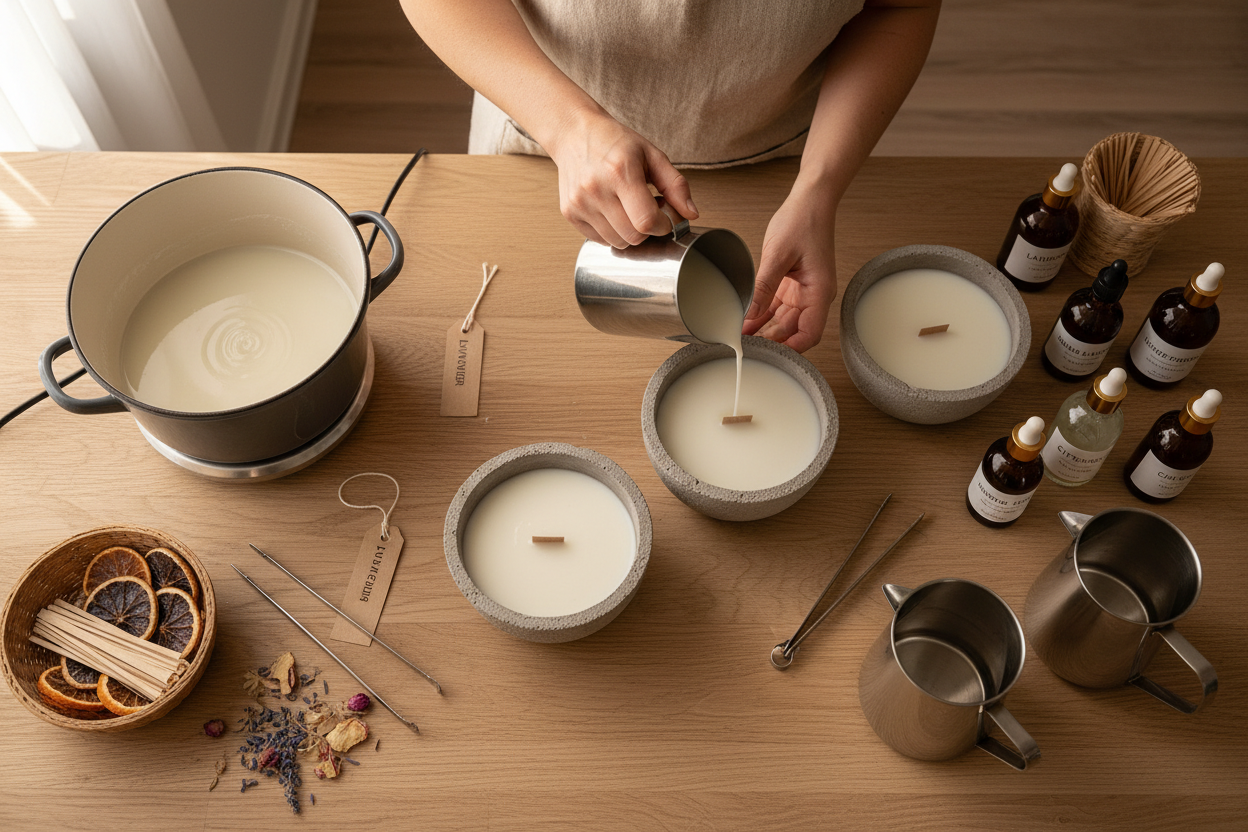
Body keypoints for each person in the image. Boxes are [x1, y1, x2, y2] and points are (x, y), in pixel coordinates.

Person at [401, 0, 942, 352]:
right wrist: (567, 128)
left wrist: (820, 189)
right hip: (540, 142)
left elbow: (900, 8)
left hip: (787, 162)